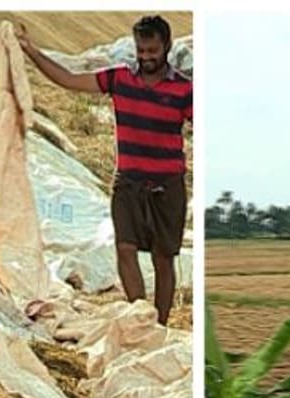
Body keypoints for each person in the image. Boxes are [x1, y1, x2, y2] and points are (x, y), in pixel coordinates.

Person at [16, 15, 191, 326]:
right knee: (125, 248)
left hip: (168, 185)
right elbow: (68, 80)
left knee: (164, 259)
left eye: (152, 50)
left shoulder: (183, 90)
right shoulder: (119, 79)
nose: (146, 57)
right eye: (141, 50)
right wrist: (31, 52)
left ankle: (161, 324)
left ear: (167, 47)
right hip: (128, 182)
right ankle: (141, 318)